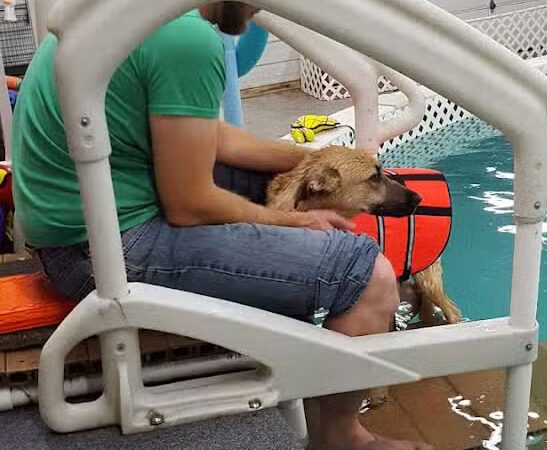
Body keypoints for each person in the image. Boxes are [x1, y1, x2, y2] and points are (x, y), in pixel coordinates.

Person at [11, 3, 433, 450]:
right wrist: (291, 220)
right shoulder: (185, 39)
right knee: (367, 275)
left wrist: (324, 164)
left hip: (74, 226)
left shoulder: (137, 12)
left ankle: (297, 320)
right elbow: (189, 205)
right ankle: (340, 437)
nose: (264, 9)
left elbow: (219, 140)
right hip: (100, 248)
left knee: (286, 188)